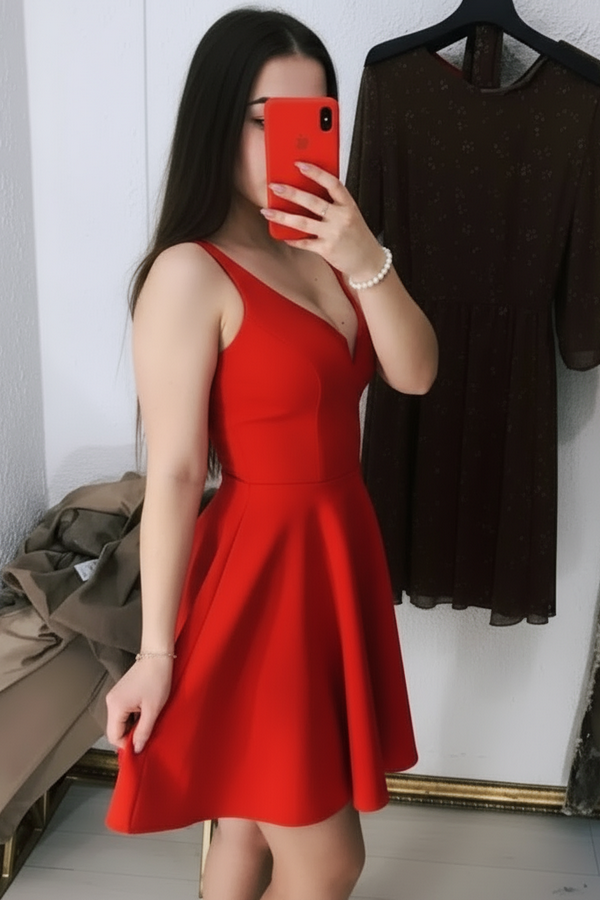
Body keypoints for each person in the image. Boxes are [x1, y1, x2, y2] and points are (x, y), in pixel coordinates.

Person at [104, 8, 438, 900]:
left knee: (252, 823)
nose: (292, 142)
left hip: (334, 550)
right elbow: (178, 473)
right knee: (329, 858)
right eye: (265, 119)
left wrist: (365, 256)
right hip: (260, 577)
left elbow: (414, 373)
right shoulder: (190, 272)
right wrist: (156, 654)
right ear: (217, 122)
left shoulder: (330, 250)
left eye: (315, 117)